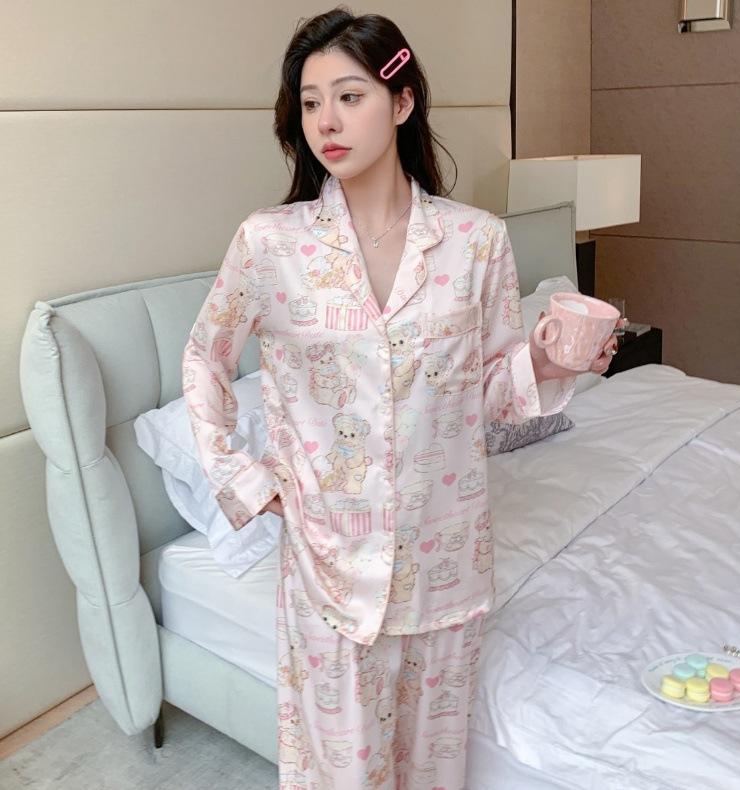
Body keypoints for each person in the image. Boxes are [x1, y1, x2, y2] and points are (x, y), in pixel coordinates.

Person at [181, 7, 619, 789]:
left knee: (432, 773)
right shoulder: (270, 244)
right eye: (310, 102)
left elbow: (488, 391)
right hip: (328, 569)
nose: (326, 121)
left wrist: (548, 361)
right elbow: (204, 358)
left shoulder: (476, 241)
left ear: (403, 101)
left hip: (446, 561)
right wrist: (245, 478)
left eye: (349, 97)